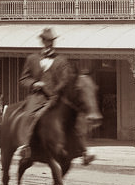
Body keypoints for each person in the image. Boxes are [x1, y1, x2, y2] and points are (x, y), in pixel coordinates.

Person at [16, 27, 94, 165]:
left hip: (56, 97)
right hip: (38, 97)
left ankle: (84, 151)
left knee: (74, 116)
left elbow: (65, 79)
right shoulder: (32, 59)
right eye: (47, 40)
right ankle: (25, 147)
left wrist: (56, 91)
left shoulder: (61, 60)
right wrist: (35, 83)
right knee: (29, 115)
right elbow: (23, 79)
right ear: (42, 41)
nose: (50, 43)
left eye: (52, 41)